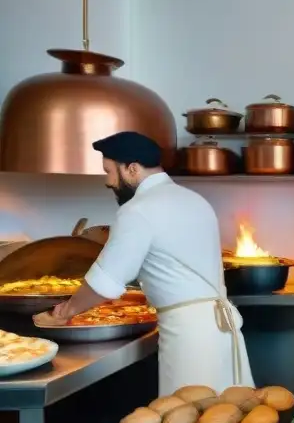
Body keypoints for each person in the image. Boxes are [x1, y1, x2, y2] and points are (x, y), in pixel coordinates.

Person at [34, 131, 254, 396]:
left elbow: (105, 282)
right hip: (221, 329)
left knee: (187, 422)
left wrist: (64, 312)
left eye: (109, 171)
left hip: (189, 338)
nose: (108, 182)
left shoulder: (137, 210)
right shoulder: (194, 200)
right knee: (228, 418)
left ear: (132, 169)